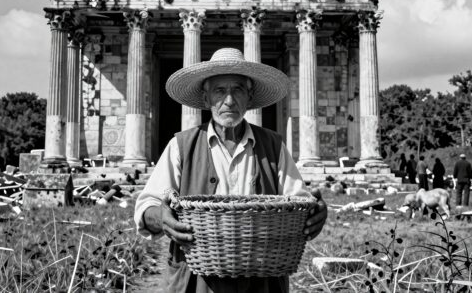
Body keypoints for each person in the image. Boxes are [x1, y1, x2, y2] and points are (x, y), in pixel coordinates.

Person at [134, 48, 328, 293]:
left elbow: (298, 203)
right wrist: (161, 219)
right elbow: (146, 208)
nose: (229, 101)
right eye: (219, 91)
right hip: (196, 282)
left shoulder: (274, 146)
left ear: (249, 97)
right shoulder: (181, 146)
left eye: (237, 90)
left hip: (262, 281)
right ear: (206, 99)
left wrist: (314, 214)